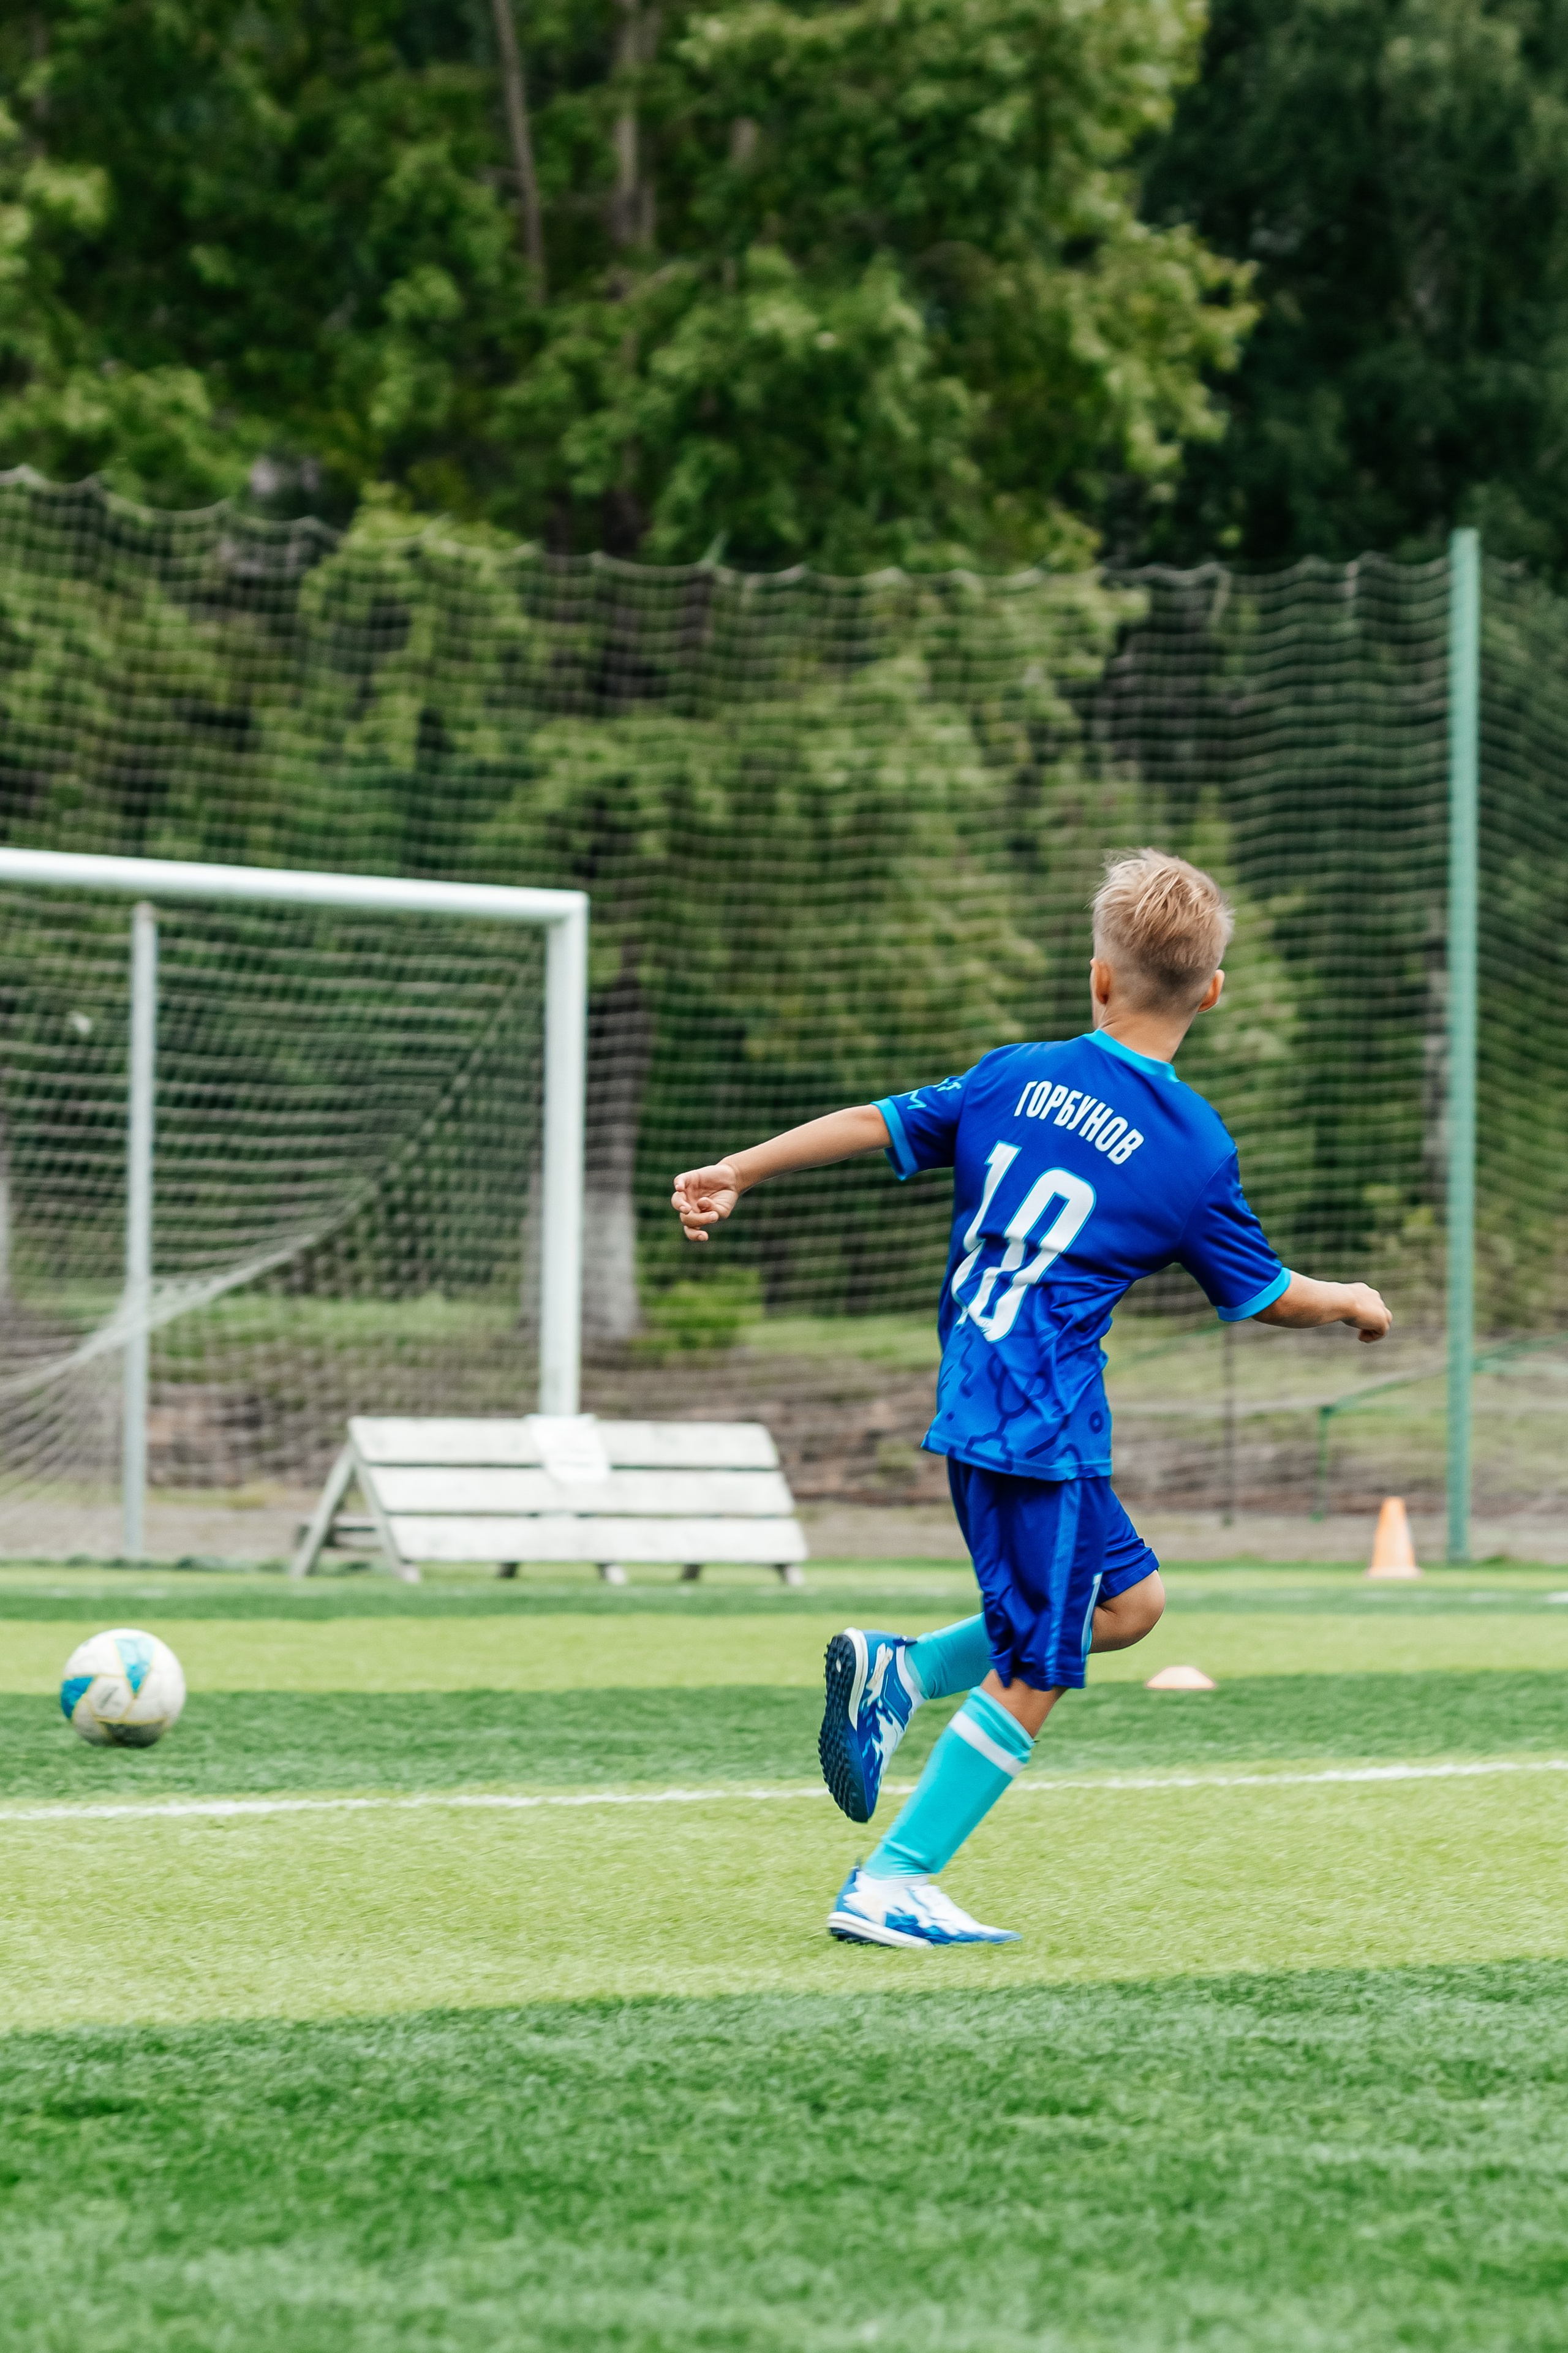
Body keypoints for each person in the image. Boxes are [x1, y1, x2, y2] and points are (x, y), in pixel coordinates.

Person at [670, 849, 1392, 1949]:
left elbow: (875, 1119)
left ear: (1098, 976)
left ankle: (904, 1669)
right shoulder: (1193, 1147)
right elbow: (1264, 1296)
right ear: (1212, 992)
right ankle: (893, 1881)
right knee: (1038, 1666)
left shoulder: (1014, 1073)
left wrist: (739, 1168)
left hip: (989, 1392)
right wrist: (1351, 1300)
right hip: (1038, 1423)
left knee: (1131, 1606)